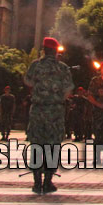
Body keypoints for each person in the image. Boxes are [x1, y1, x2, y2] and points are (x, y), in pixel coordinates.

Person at [24, 36, 74, 194]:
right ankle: (48, 182)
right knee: (53, 147)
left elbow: (28, 82)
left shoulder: (35, 65)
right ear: (56, 51)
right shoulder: (63, 68)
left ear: (44, 50)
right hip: (55, 111)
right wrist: (56, 98)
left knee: (37, 146)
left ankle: (36, 182)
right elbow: (68, 90)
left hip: (38, 111)